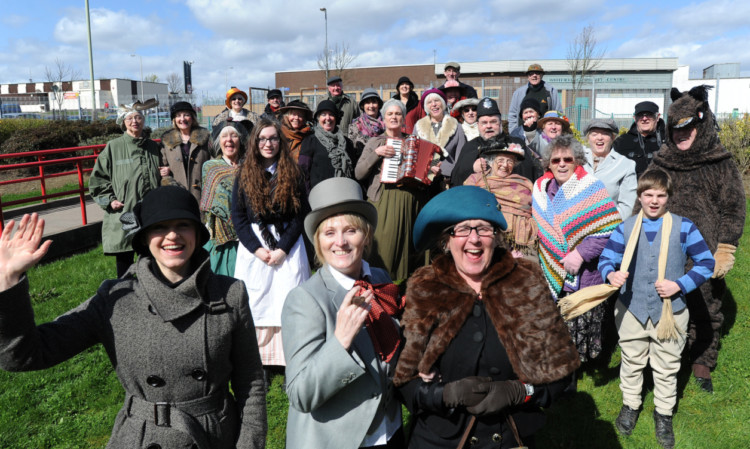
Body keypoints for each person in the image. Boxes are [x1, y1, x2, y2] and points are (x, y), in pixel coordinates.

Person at [0, 187, 267, 449]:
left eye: (183, 225)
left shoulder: (230, 293)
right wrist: (9, 282)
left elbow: (251, 382)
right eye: (159, 227)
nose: (172, 235)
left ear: (197, 233)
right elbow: (23, 356)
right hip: (143, 436)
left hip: (213, 436)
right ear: (144, 237)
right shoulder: (115, 298)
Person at [393, 185, 580, 448]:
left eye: (483, 228)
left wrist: (520, 392)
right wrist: (444, 395)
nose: (474, 239)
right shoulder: (426, 288)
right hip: (441, 437)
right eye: (462, 229)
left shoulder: (525, 283)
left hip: (509, 436)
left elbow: (563, 374)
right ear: (446, 240)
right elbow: (404, 380)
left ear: (496, 236)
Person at [282, 177, 406, 449]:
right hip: (339, 440)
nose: (341, 242)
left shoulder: (380, 280)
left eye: (351, 230)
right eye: (329, 233)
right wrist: (339, 341)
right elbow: (300, 394)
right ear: (318, 241)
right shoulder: (305, 300)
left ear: (366, 235)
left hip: (391, 431)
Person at [598, 169, 714, 449]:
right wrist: (610, 275)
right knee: (632, 361)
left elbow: (706, 263)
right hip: (631, 309)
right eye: (648, 194)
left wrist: (680, 285)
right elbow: (606, 258)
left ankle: (663, 414)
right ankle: (630, 405)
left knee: (667, 365)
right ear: (639, 196)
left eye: (660, 195)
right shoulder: (625, 227)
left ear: (669, 198)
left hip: (670, 312)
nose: (654, 201)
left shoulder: (684, 227)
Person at [643, 85, 746, 393]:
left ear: (701, 126)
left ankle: (702, 360)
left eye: (688, 128)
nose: (681, 135)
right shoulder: (661, 162)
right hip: (663, 250)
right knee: (663, 305)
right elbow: (643, 200)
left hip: (706, 251)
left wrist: (726, 247)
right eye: (676, 130)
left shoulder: (720, 162)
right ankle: (662, 361)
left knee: (707, 306)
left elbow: (733, 207)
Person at [232, 118, 310, 388]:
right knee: (259, 302)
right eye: (263, 139)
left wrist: (282, 249)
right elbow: (238, 217)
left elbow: (301, 216)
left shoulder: (294, 172)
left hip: (287, 245)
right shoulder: (244, 174)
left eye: (273, 138)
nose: (268, 144)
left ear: (281, 142)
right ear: (255, 142)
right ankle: (261, 363)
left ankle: (293, 359)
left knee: (289, 300)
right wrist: (257, 249)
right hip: (256, 249)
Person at [532, 135, 622, 363]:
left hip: (584, 274)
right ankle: (559, 363)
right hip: (549, 266)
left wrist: (580, 254)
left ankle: (579, 366)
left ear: (577, 161)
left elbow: (609, 229)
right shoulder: (541, 189)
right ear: (548, 164)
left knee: (582, 325)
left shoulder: (590, 187)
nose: (562, 164)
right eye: (556, 160)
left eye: (567, 159)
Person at [355, 98, 432, 280]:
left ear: (404, 118)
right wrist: (377, 154)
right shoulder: (376, 142)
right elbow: (359, 173)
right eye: (390, 114)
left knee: (409, 248)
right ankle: (379, 285)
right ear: (384, 117)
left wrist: (432, 170)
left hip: (410, 200)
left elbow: (423, 175)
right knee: (384, 246)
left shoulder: (415, 142)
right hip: (384, 200)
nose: (394, 117)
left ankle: (405, 289)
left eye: (398, 113)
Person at [89, 102, 161, 277]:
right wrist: (108, 200)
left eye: (138, 117)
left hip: (150, 213)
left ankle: (152, 293)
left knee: (150, 257)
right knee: (125, 259)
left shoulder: (153, 147)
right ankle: (126, 296)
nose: (134, 121)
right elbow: (98, 179)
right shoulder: (114, 147)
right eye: (130, 118)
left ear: (143, 120)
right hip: (125, 211)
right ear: (123, 122)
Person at [463, 138, 538, 259]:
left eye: (510, 161)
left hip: (519, 244)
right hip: (484, 238)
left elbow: (534, 210)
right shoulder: (475, 180)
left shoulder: (524, 183)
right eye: (500, 160)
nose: (505, 165)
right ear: (491, 162)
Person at [452, 98, 542, 186]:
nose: (488, 126)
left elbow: (530, 173)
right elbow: (455, 178)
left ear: (500, 123)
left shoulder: (516, 143)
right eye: (484, 123)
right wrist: (471, 168)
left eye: (493, 122)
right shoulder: (470, 146)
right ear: (478, 125)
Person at [200, 120, 249, 276]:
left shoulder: (250, 166)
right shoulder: (211, 167)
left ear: (240, 140)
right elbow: (210, 203)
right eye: (224, 136)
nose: (229, 140)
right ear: (218, 142)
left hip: (249, 233)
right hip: (221, 237)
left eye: (234, 135)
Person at [582, 118, 637, 219]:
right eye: (594, 134)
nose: (599, 138)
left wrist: (609, 225)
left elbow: (627, 206)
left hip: (609, 227)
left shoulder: (625, 164)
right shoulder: (577, 159)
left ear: (612, 137)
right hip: (577, 225)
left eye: (605, 134)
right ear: (588, 138)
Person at [298, 99, 359, 191]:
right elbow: (303, 172)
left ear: (336, 118)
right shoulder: (310, 141)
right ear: (318, 118)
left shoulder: (347, 143)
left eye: (331, 114)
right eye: (323, 114)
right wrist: (308, 197)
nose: (328, 118)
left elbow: (353, 171)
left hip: (344, 193)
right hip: (319, 196)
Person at [160, 101, 213, 203]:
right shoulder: (167, 140)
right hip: (176, 194)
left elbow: (213, 160)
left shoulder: (205, 137)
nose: (182, 119)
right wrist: (165, 175)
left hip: (203, 193)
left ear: (192, 118)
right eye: (178, 116)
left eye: (186, 115)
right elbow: (162, 165)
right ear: (174, 120)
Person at [412, 88, 466, 182]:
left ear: (443, 103)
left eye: (437, 100)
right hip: (424, 178)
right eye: (429, 102)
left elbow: (461, 160)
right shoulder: (418, 127)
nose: (434, 104)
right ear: (426, 107)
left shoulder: (458, 127)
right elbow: (414, 154)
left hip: (448, 179)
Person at [613, 101, 666, 178]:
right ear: (635, 118)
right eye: (640, 115)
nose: (644, 118)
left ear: (657, 117)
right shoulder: (621, 142)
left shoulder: (668, 140)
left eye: (649, 115)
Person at [507, 64, 561, 131]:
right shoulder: (518, 93)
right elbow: (513, 115)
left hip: (544, 135)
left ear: (541, 75)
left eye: (537, 73)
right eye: (531, 73)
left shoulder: (551, 91)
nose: (534, 75)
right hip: (523, 135)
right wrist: (514, 133)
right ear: (528, 76)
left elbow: (558, 113)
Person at [348, 88, 385, 154]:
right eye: (367, 103)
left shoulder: (387, 124)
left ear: (378, 104)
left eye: (374, 102)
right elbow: (351, 150)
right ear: (363, 106)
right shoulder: (355, 125)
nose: (371, 106)